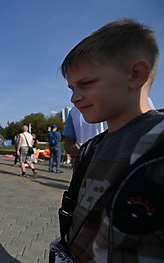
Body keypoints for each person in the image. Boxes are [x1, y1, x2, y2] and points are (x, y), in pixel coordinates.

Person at [49, 18, 164, 263]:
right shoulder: (92, 147)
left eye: (86, 84)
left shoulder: (157, 145)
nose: (75, 98)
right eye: (71, 88)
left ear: (135, 74)